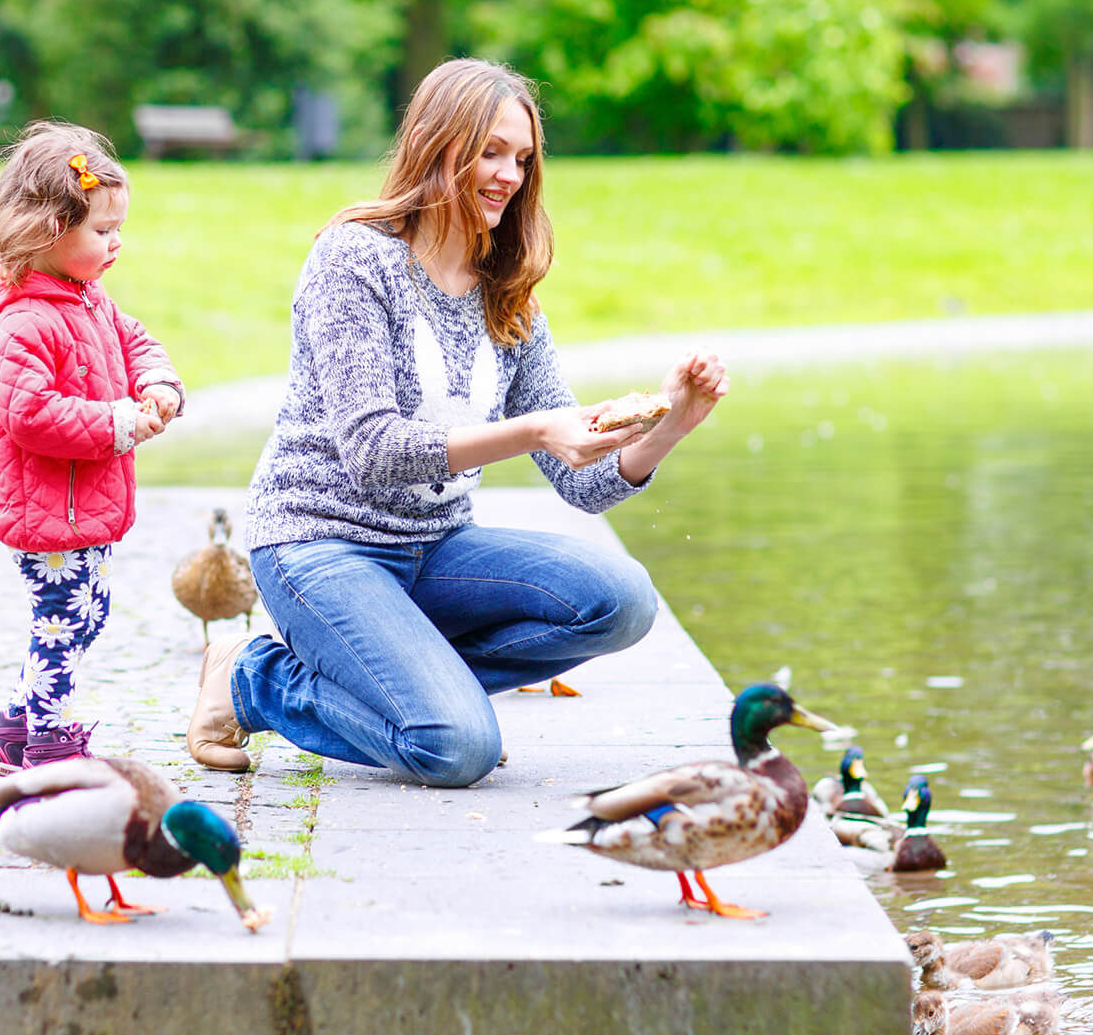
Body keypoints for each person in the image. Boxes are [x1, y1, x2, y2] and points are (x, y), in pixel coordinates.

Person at [185, 58, 729, 787]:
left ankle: (422, 684)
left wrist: (670, 426)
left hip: (436, 548)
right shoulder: (354, 260)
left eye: (524, 158)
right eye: (491, 151)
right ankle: (254, 678)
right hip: (319, 545)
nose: (510, 174)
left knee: (622, 601)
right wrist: (535, 429)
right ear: (438, 146)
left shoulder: (508, 294)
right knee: (456, 748)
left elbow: (585, 485)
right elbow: (374, 450)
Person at [0, 121, 186, 774]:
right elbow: (27, 413)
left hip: (84, 505)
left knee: (86, 613)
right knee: (60, 620)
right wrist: (116, 423)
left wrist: (158, 381)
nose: (117, 244)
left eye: (117, 230)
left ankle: (11, 729)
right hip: (45, 508)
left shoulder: (85, 296)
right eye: (103, 232)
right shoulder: (24, 318)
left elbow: (134, 338)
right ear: (48, 232)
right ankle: (52, 744)